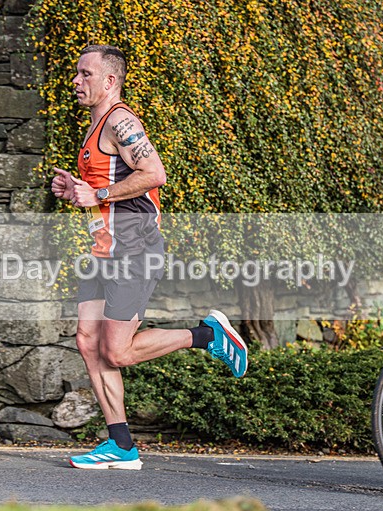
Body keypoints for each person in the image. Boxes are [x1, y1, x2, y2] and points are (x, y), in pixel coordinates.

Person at [50, 44, 248, 470]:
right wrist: (77, 191)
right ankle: (121, 447)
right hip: (105, 249)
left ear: (109, 81)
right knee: (88, 341)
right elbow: (106, 187)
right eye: (77, 73)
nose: (76, 81)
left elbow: (153, 174)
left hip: (134, 248)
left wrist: (98, 193)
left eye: (85, 74)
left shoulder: (120, 120)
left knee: (117, 352)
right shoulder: (94, 125)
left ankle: (208, 336)